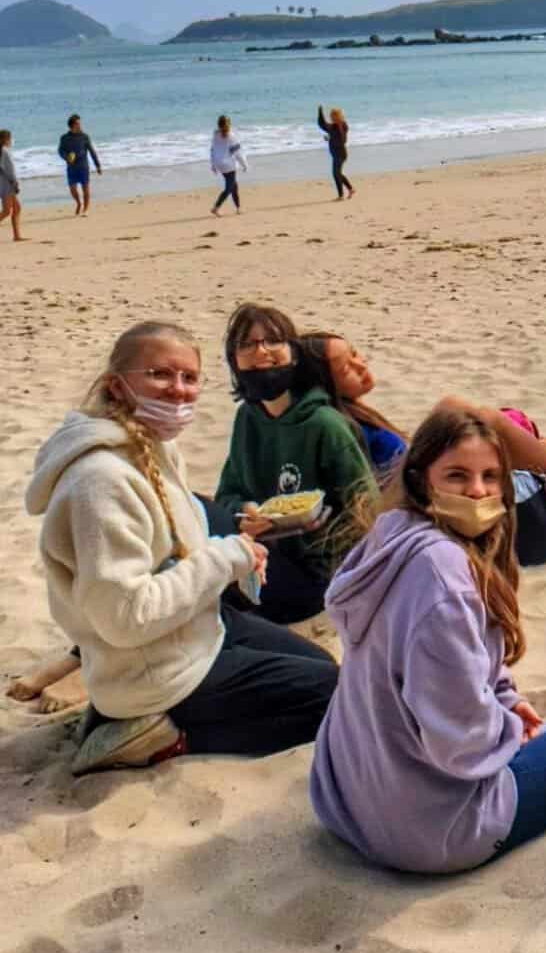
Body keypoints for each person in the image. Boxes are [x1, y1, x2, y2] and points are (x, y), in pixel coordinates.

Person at [310, 406, 546, 872]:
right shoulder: (443, 579)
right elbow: (461, 742)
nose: (477, 491)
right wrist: (509, 730)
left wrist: (507, 700)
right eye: (457, 476)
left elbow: (450, 673)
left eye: (491, 477)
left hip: (346, 799)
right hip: (427, 829)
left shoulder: (389, 537)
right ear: (422, 480)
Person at [24, 320, 338, 776]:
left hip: (195, 629)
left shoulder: (152, 445)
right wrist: (225, 558)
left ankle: (115, 714)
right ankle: (161, 737)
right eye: (159, 374)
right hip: (153, 669)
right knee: (330, 697)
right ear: (117, 385)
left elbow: (178, 547)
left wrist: (236, 552)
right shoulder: (101, 481)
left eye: (189, 377)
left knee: (322, 665)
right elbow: (125, 618)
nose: (178, 389)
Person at [215, 303, 375, 623]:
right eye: (247, 344)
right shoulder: (247, 419)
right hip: (259, 550)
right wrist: (243, 513)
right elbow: (227, 493)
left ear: (294, 353)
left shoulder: (324, 425)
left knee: (216, 590)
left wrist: (313, 527)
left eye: (273, 341)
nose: (261, 351)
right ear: (234, 360)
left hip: (317, 573)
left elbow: (367, 511)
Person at [298, 330, 546, 494]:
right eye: (346, 369)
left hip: (416, 474)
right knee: (474, 416)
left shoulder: (354, 412)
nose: (361, 365)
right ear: (325, 385)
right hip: (415, 490)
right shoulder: (343, 426)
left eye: (355, 353)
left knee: (473, 417)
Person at [57, 114, 101, 216]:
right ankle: (78, 203)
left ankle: (85, 210)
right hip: (71, 168)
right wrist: (66, 157)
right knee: (72, 189)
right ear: (72, 125)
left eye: (80, 124)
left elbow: (92, 151)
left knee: (86, 189)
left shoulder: (85, 137)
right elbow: (60, 150)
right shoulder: (64, 138)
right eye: (78, 124)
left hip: (83, 167)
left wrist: (97, 165)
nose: (80, 125)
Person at [210, 115, 248, 216]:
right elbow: (238, 153)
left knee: (234, 185)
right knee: (229, 188)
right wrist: (245, 165)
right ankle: (216, 207)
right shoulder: (231, 136)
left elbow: (212, 150)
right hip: (229, 165)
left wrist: (213, 165)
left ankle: (238, 208)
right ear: (229, 124)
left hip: (220, 165)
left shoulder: (215, 134)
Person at [317, 106, 354, 200]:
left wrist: (320, 112)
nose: (332, 118)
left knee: (336, 173)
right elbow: (338, 137)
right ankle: (350, 189)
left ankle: (342, 195)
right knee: (337, 173)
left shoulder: (339, 126)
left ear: (339, 116)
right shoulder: (338, 126)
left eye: (334, 116)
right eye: (331, 116)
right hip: (338, 154)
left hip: (340, 154)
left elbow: (322, 124)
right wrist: (330, 138)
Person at [0, 129, 23, 242]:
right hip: (7, 185)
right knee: (6, 211)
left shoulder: (2, 151)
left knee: (17, 208)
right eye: (9, 138)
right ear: (5, 139)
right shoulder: (4, 152)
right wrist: (15, 183)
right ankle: (17, 236)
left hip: (4, 184)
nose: (11, 140)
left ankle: (17, 236)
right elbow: (10, 170)